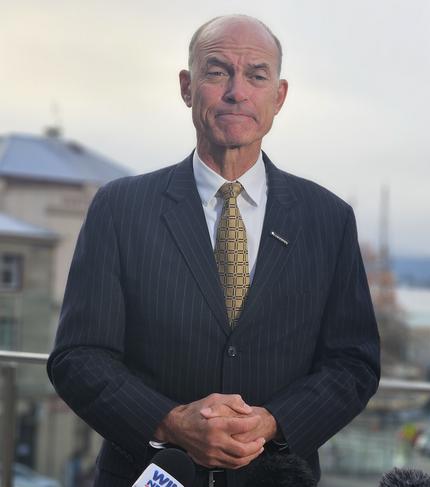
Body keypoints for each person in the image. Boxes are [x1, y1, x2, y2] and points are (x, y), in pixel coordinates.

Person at [47, 14, 380, 487]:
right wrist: (171, 421)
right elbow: (77, 356)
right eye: (218, 71)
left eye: (256, 75)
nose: (237, 91)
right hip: (149, 472)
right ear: (187, 87)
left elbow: (354, 363)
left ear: (278, 96)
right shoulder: (120, 208)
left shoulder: (328, 219)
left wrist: (272, 423)